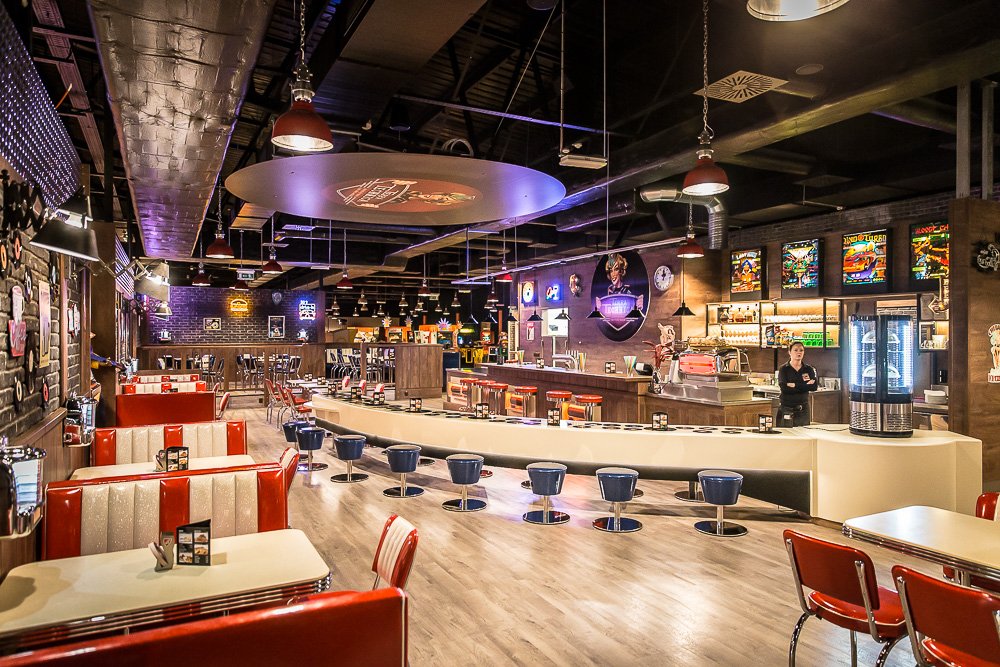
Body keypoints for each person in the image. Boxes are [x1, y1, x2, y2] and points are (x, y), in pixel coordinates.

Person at [777, 341, 818, 427]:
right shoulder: (784, 369)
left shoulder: (808, 369)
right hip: (787, 408)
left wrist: (795, 385)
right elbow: (785, 389)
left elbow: (814, 387)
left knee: (803, 433)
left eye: (801, 350)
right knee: (787, 433)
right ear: (789, 352)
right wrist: (805, 386)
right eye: (795, 350)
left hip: (803, 409)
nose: (799, 352)